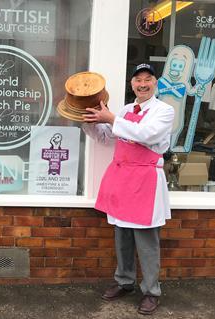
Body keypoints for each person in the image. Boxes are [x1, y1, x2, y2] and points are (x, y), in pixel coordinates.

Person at [82, 63, 174, 315]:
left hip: (145, 181)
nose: (142, 84)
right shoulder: (124, 110)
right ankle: (124, 282)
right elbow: (104, 137)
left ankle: (151, 291)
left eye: (148, 79)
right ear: (131, 83)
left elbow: (147, 134)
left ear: (155, 83)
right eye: (137, 80)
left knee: (146, 241)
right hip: (122, 179)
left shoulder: (163, 111)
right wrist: (89, 120)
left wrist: (111, 118)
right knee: (121, 236)